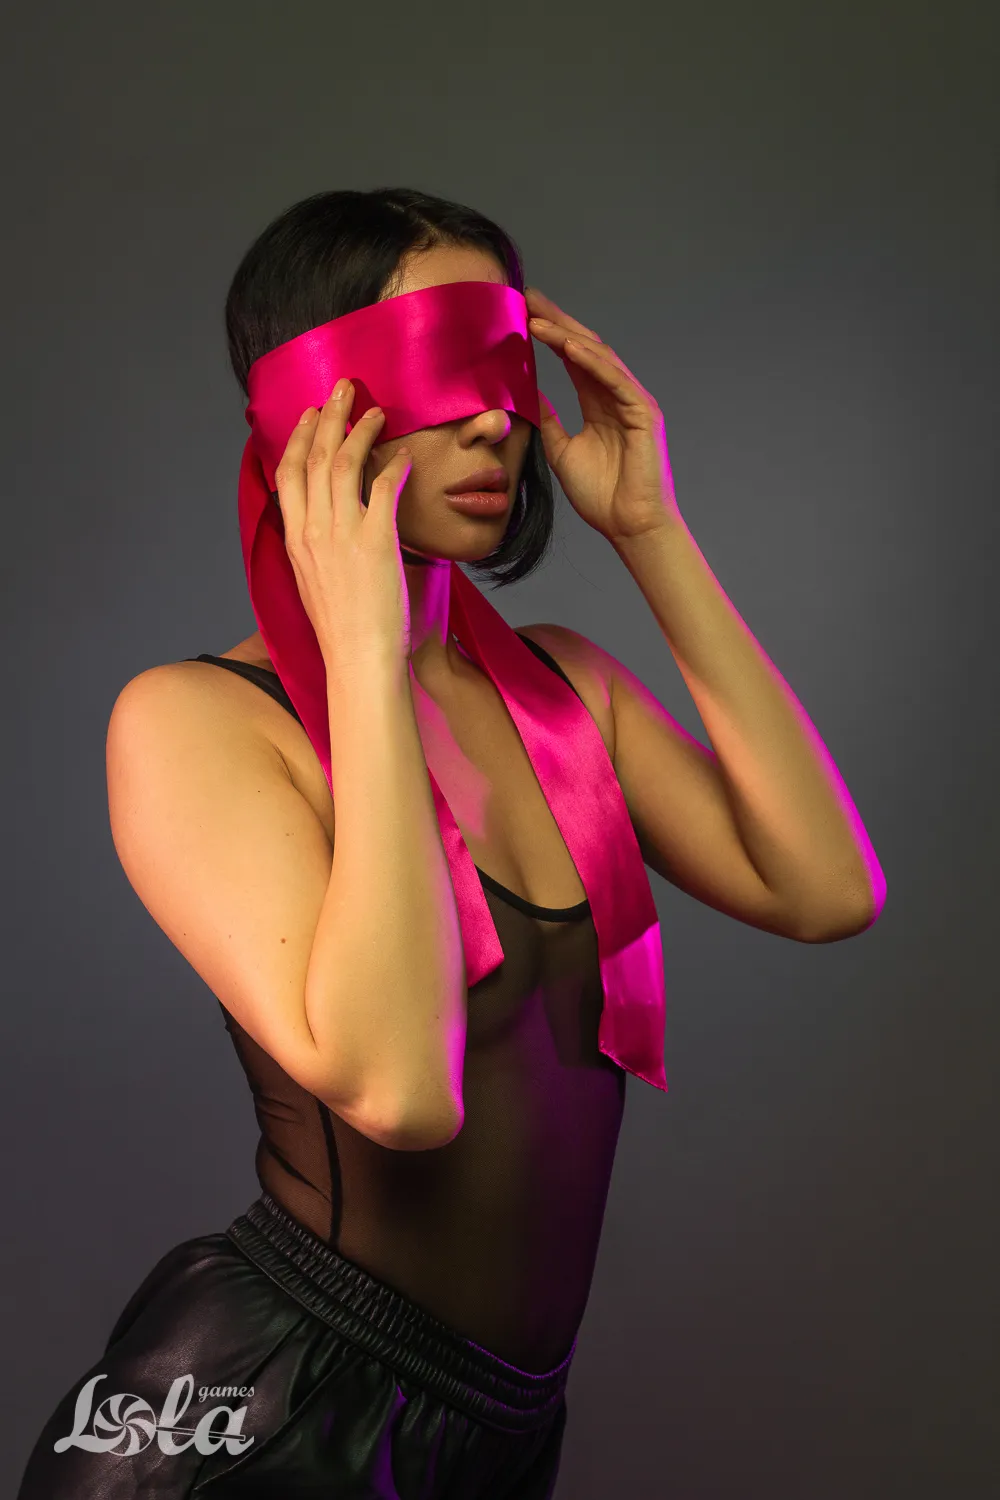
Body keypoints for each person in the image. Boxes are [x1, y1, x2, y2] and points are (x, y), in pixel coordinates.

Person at [16, 187, 883, 1498]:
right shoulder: (195, 723)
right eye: (438, 369)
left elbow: (825, 889)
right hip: (267, 1422)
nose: (493, 420)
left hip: (500, 1429)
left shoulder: (569, 695)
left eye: (505, 369)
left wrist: (650, 533)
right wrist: (365, 652)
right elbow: (399, 1091)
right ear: (311, 412)